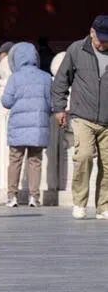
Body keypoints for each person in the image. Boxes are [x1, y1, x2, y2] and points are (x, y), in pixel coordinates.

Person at [51, 15, 108, 220]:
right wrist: (59, 109)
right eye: (100, 38)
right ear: (92, 32)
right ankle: (79, 202)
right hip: (83, 116)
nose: (103, 43)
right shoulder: (76, 50)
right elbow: (60, 81)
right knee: (83, 156)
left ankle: (103, 206)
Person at [2, 42, 53, 208]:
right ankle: (34, 197)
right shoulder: (45, 77)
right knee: (35, 161)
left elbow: (6, 102)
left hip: (18, 126)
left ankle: (12, 197)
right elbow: (51, 104)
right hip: (38, 126)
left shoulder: (14, 78)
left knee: (15, 160)